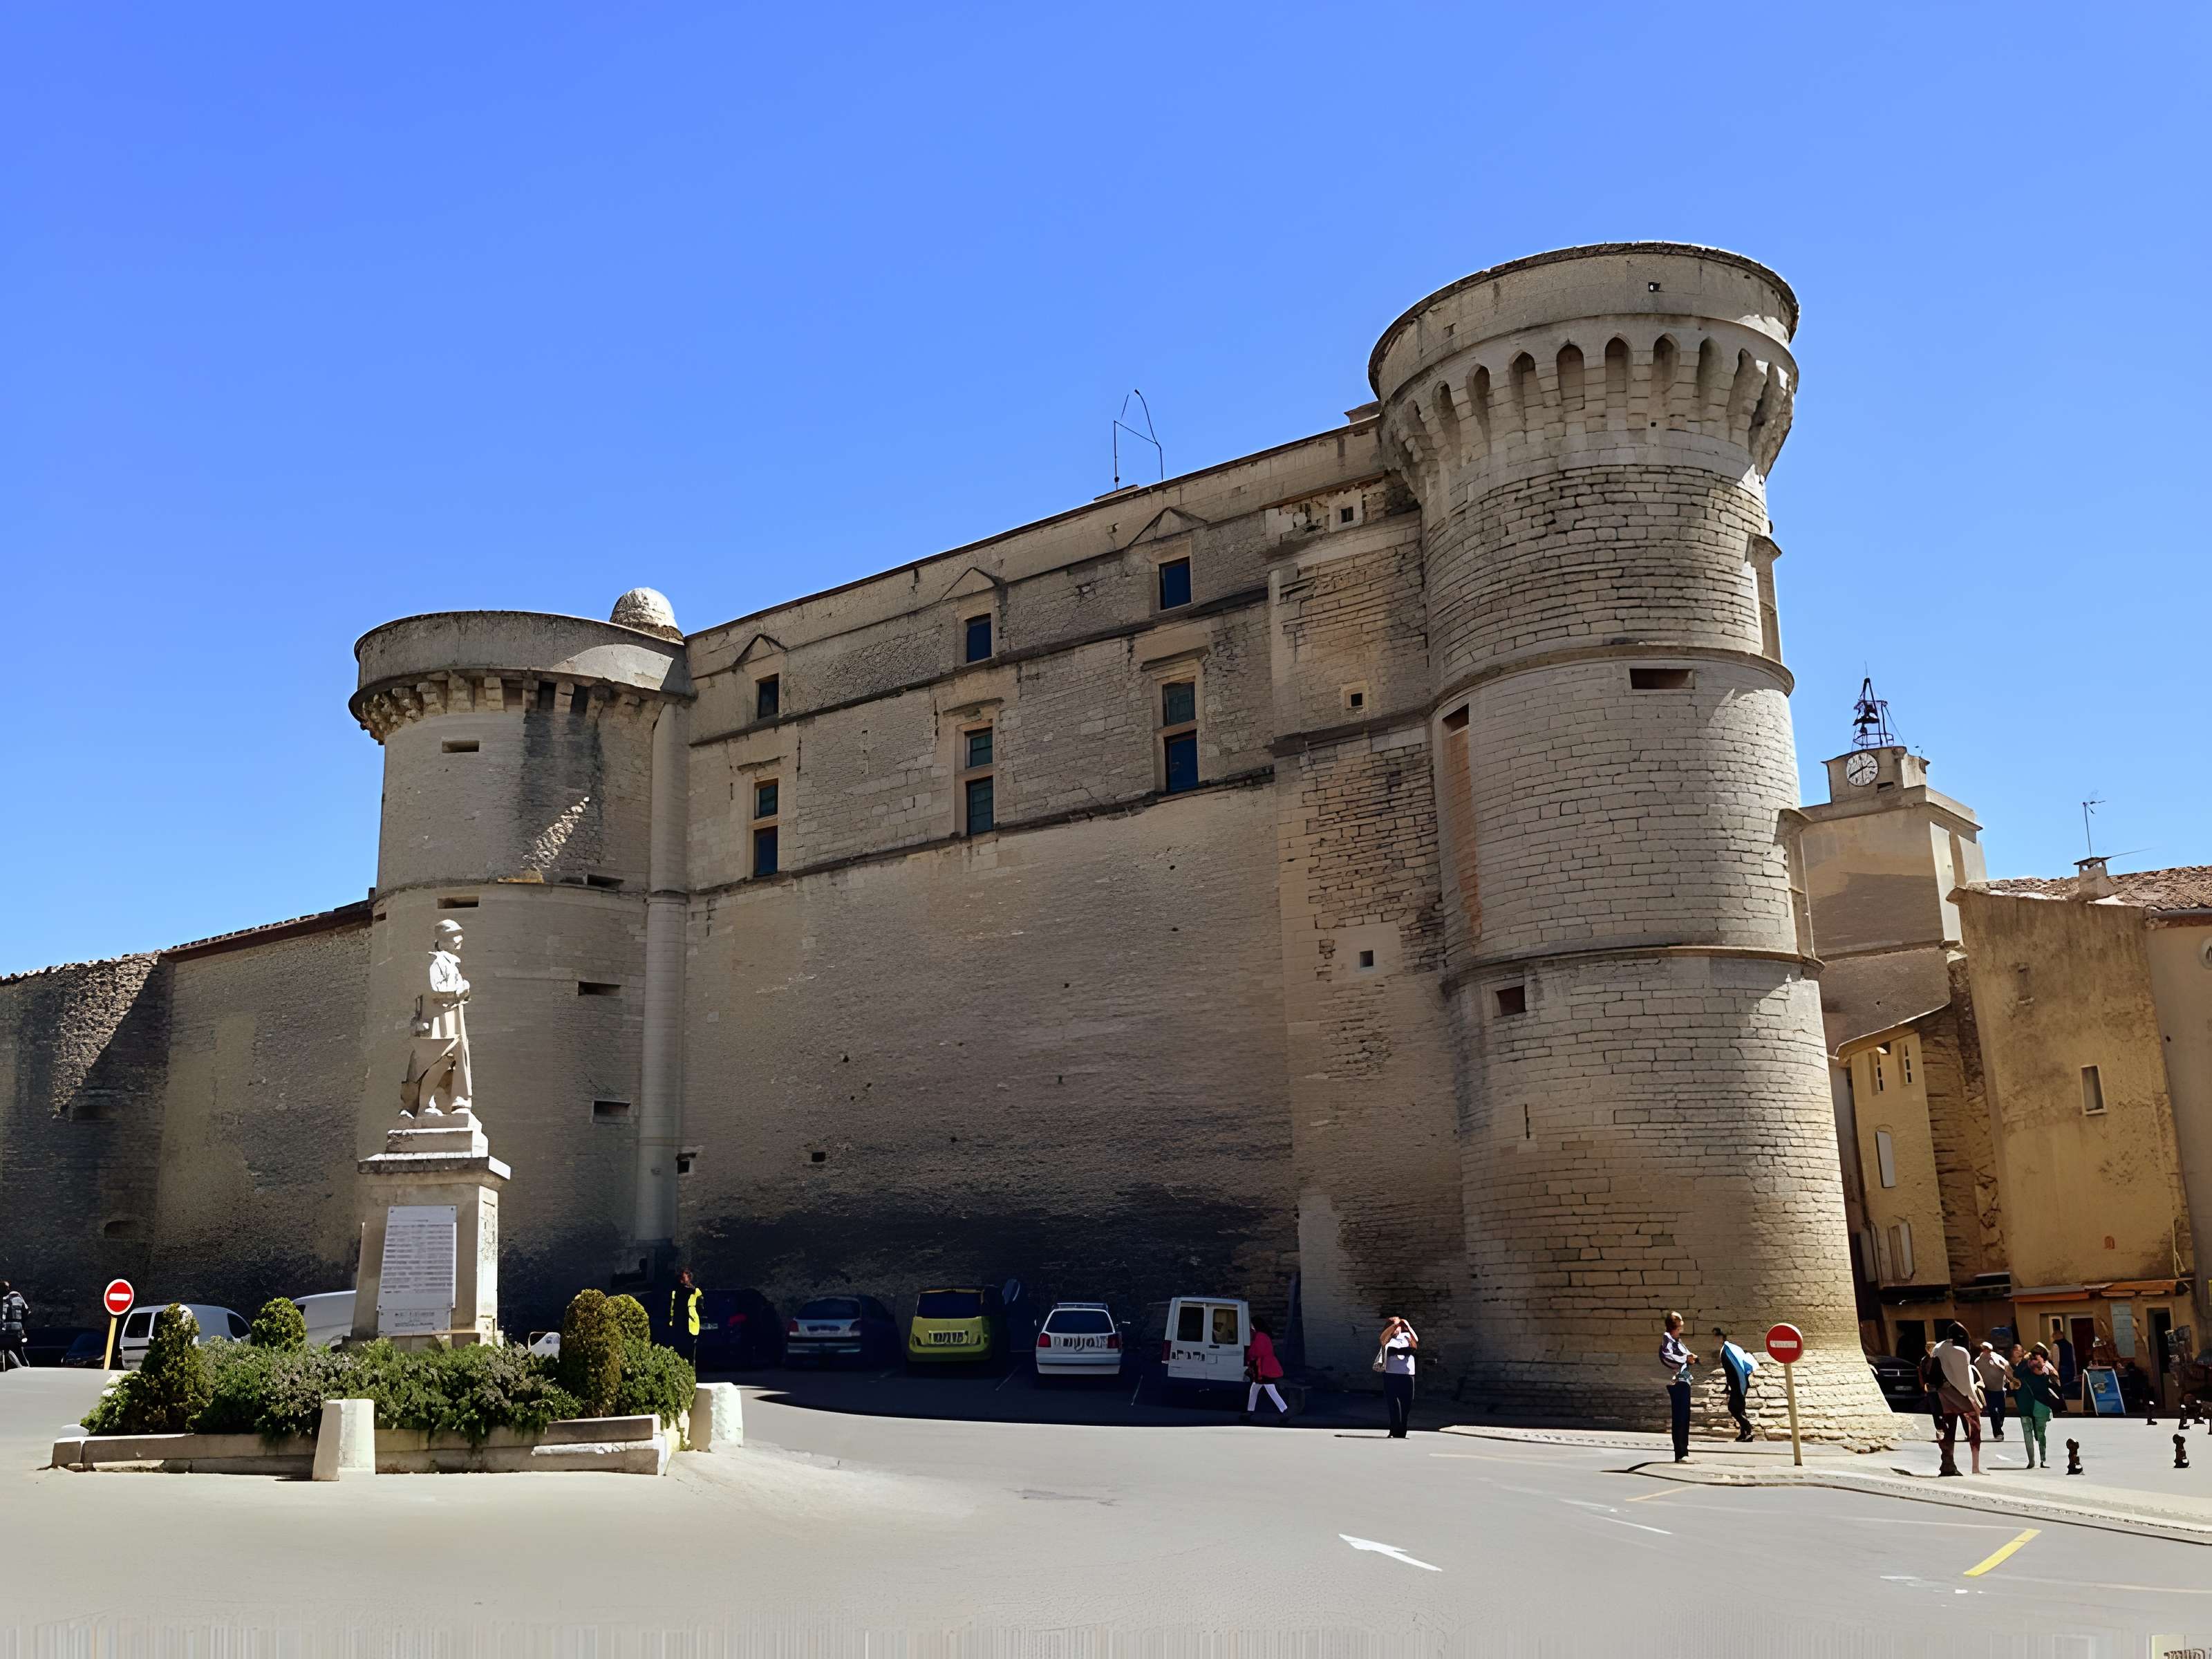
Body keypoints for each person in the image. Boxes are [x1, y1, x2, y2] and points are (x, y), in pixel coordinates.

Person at [1931, 1322, 1985, 1477]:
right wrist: (1974, 1400)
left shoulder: (1937, 1348)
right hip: (1959, 1394)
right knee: (1975, 1428)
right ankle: (1975, 1467)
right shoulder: (1961, 1352)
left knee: (1948, 1429)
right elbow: (1963, 1380)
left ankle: (1948, 1463)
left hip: (1942, 1394)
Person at [1660, 1313, 1698, 1462]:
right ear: (1674, 1325)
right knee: (1680, 1417)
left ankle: (1684, 1451)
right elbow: (1666, 1355)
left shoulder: (1678, 1341)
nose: (1682, 1326)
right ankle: (1680, 1453)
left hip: (1684, 1381)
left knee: (1685, 1416)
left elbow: (1685, 1355)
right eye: (1681, 1323)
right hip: (1677, 1382)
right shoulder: (1667, 1339)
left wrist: (1691, 1357)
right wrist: (1685, 1358)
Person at [2018, 1344, 2061, 1468]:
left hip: (2041, 1406)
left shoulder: (2048, 1370)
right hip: (2025, 1406)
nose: (2033, 1361)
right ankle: (2031, 1461)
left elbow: (2057, 1385)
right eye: (2032, 1359)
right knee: (2027, 1434)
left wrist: (2051, 1373)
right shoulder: (2024, 1368)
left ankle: (2043, 1459)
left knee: (2040, 1434)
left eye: (2036, 1359)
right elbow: (2014, 1377)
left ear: (2044, 1360)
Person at [1714, 1327, 1759, 1441]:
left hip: (1739, 1384)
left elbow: (1736, 1369)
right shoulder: (1728, 1349)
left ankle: (1749, 1430)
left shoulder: (1727, 1351)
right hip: (1738, 1384)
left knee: (1734, 1408)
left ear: (1720, 1339)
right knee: (1740, 1409)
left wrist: (1739, 1386)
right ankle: (1743, 1434)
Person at [1378, 1315, 1418, 1438]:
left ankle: (1401, 1430)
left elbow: (1416, 1340)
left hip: (1408, 1374)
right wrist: (1394, 1326)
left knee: (1407, 1403)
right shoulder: (1388, 1338)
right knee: (1394, 1403)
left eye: (1398, 1327)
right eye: (1394, 1326)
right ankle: (1394, 1430)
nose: (1397, 1329)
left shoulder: (1406, 1336)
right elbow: (1382, 1339)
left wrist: (1407, 1325)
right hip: (1391, 1374)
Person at [1244, 1316, 1288, 1419]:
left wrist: (1250, 1356)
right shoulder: (1264, 1335)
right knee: (1255, 1389)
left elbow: (1258, 1351)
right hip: (1265, 1366)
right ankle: (1250, 1411)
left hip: (1264, 1367)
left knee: (1269, 1389)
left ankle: (1285, 1410)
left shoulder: (1260, 1336)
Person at [1975, 1342, 2012, 1442]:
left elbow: (2007, 1366)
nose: (1988, 1351)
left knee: (2001, 1411)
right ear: (1983, 1350)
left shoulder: (1997, 1357)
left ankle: (1999, 1425)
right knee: (1993, 1411)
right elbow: (1977, 1375)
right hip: (1988, 1390)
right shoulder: (1978, 1362)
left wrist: (2008, 1376)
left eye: (1989, 1349)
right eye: (1986, 1349)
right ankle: (1998, 1432)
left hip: (2000, 1389)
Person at [666, 1268, 702, 1365]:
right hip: (679, 1322)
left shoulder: (695, 1291)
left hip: (691, 1323)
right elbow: (672, 1307)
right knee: (679, 1348)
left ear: (689, 1278)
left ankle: (691, 1367)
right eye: (680, 1278)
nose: (681, 1280)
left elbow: (701, 1306)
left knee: (691, 1348)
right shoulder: (676, 1291)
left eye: (683, 1278)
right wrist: (671, 1320)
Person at [0, 1282, 27, 1373]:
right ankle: (22, 1368)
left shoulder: (16, 1296)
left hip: (14, 1333)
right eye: (4, 1288)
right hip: (6, 1334)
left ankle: (25, 1368)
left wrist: (23, 1329)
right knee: (11, 1351)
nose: (7, 1290)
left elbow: (25, 1313)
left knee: (18, 1351)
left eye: (7, 1287)